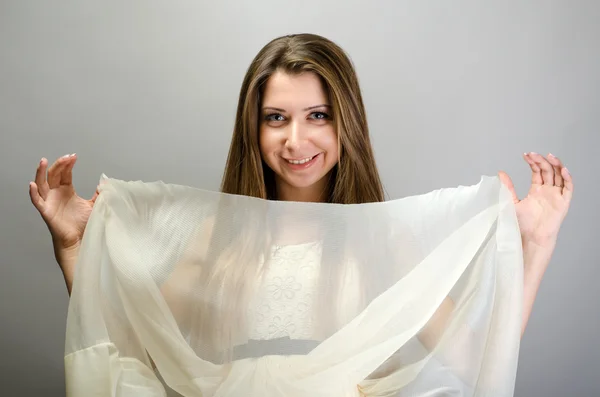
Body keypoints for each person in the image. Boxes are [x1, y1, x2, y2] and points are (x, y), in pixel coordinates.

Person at [29, 33, 573, 392]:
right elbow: (133, 360)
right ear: (253, 127)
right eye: (275, 117)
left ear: (346, 124)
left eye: (317, 114)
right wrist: (75, 249)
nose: (296, 140)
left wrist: (534, 245)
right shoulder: (220, 239)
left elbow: (478, 358)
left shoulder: (381, 242)